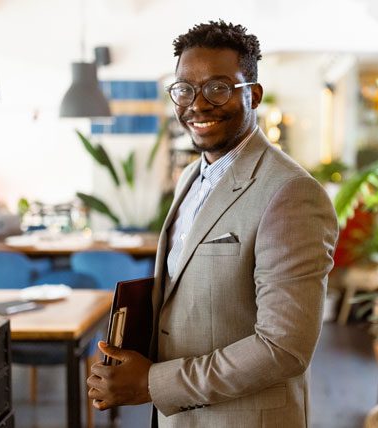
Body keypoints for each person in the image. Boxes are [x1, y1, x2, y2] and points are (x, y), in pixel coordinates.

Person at [87, 20, 338, 427]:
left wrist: (152, 383)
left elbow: (284, 347)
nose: (198, 104)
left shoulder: (291, 192)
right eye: (184, 89)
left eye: (219, 88)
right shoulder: (191, 177)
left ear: (252, 95)